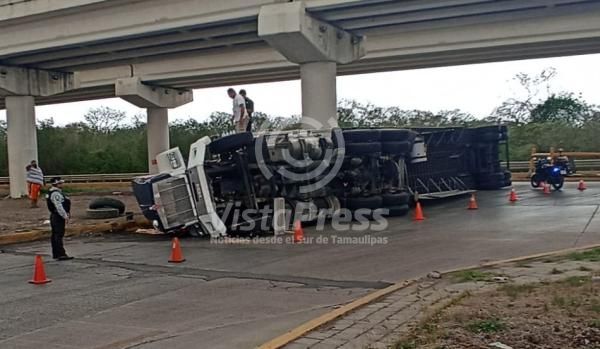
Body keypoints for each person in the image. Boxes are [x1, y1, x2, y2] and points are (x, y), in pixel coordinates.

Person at [47, 177, 73, 260]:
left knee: (55, 235)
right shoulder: (56, 194)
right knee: (58, 235)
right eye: (60, 183)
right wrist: (65, 216)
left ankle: (57, 253)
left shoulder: (54, 192)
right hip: (57, 216)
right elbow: (59, 206)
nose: (62, 184)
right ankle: (61, 254)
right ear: (56, 184)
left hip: (55, 216)